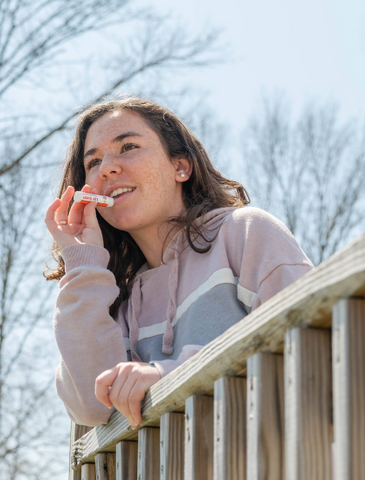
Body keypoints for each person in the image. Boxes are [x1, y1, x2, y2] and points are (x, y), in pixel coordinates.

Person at [44, 97, 313, 428]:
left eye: (127, 147)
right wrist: (84, 265)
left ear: (180, 167)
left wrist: (167, 378)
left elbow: (307, 346)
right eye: (93, 161)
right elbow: (92, 408)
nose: (107, 168)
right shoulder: (116, 301)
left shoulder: (246, 233)